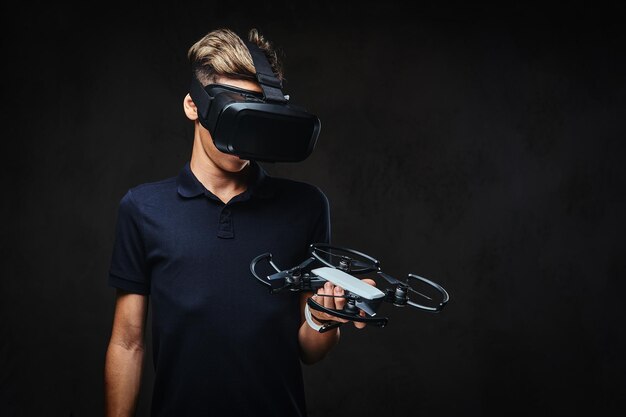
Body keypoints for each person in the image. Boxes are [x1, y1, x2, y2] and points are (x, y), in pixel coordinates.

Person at [103, 27, 375, 417]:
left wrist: (324, 317)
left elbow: (309, 349)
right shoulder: (143, 208)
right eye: (235, 112)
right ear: (193, 107)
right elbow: (127, 344)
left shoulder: (306, 207)